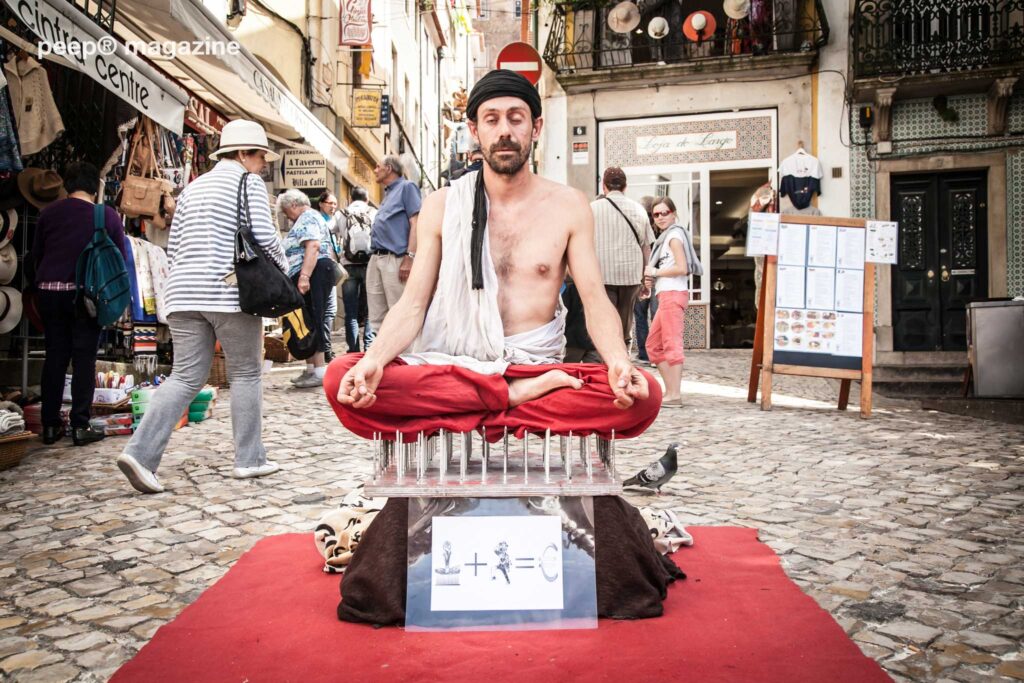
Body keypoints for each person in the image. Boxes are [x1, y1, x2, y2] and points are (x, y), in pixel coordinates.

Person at [325, 70, 673, 625]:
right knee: (339, 380)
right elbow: (413, 305)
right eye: (492, 120)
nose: (504, 131)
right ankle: (503, 394)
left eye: (516, 119)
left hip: (533, 368)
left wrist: (618, 362)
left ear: (536, 127)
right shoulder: (442, 206)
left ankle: (494, 395)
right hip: (462, 363)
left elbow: (594, 297)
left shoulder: (568, 205)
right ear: (474, 131)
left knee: (645, 396)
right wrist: (370, 362)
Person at [116, 119, 287, 494]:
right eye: (260, 157)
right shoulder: (248, 182)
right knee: (245, 373)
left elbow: (174, 247)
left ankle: (140, 455)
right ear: (243, 154)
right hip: (227, 293)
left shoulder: (192, 188)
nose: (262, 165)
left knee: (185, 377)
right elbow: (263, 237)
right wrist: (284, 270)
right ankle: (250, 459)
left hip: (181, 293)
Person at [31, 162, 127, 446]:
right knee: (84, 359)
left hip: (48, 292)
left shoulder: (48, 214)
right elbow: (118, 260)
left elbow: (37, 255)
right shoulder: (105, 215)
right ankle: (80, 426)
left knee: (55, 357)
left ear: (67, 185)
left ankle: (49, 426)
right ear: (95, 186)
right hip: (85, 297)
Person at [584, 166, 655, 360]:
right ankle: (623, 363)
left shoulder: (592, 208)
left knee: (604, 324)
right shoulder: (639, 210)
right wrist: (645, 279)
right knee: (625, 326)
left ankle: (605, 366)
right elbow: (646, 248)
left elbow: (583, 245)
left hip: (602, 276)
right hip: (630, 276)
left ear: (603, 186)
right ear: (625, 187)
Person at [279, 189, 335, 389]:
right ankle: (311, 369)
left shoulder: (307, 217)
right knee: (307, 319)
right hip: (313, 271)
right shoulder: (307, 218)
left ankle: (320, 371)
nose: (287, 216)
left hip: (314, 271)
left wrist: (304, 276)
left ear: (294, 204)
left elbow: (313, 246)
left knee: (314, 317)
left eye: (286, 212)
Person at [644, 197, 691, 407]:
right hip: (666, 294)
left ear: (673, 213)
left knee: (671, 344)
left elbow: (682, 267)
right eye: (656, 214)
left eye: (665, 213)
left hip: (673, 293)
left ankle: (674, 394)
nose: (661, 217)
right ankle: (671, 391)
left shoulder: (673, 236)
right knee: (653, 345)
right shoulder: (666, 237)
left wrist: (655, 271)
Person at [366, 155, 421, 334]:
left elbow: (416, 223)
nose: (375, 170)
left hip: (395, 259)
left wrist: (410, 258)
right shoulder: (388, 193)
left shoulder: (407, 187)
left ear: (389, 168)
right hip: (376, 257)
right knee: (376, 316)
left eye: (377, 166)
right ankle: (384, 356)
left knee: (399, 312)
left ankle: (406, 358)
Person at [336, 186, 377, 352]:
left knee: (350, 311)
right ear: (367, 199)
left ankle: (353, 349)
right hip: (369, 265)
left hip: (348, 265)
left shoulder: (341, 213)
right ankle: (369, 346)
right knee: (370, 310)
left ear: (350, 199)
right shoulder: (374, 212)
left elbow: (329, 230)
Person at [317, 191, 342, 362]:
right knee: (327, 310)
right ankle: (324, 349)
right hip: (322, 268)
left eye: (335, 203)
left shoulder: (334, 221)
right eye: (329, 203)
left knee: (330, 310)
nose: (332, 206)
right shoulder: (318, 220)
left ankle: (325, 347)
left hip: (331, 267)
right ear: (321, 203)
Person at [633, 195, 659, 363]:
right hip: (656, 276)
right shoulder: (661, 229)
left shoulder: (638, 227)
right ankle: (654, 353)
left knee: (642, 316)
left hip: (642, 276)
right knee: (655, 317)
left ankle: (645, 353)